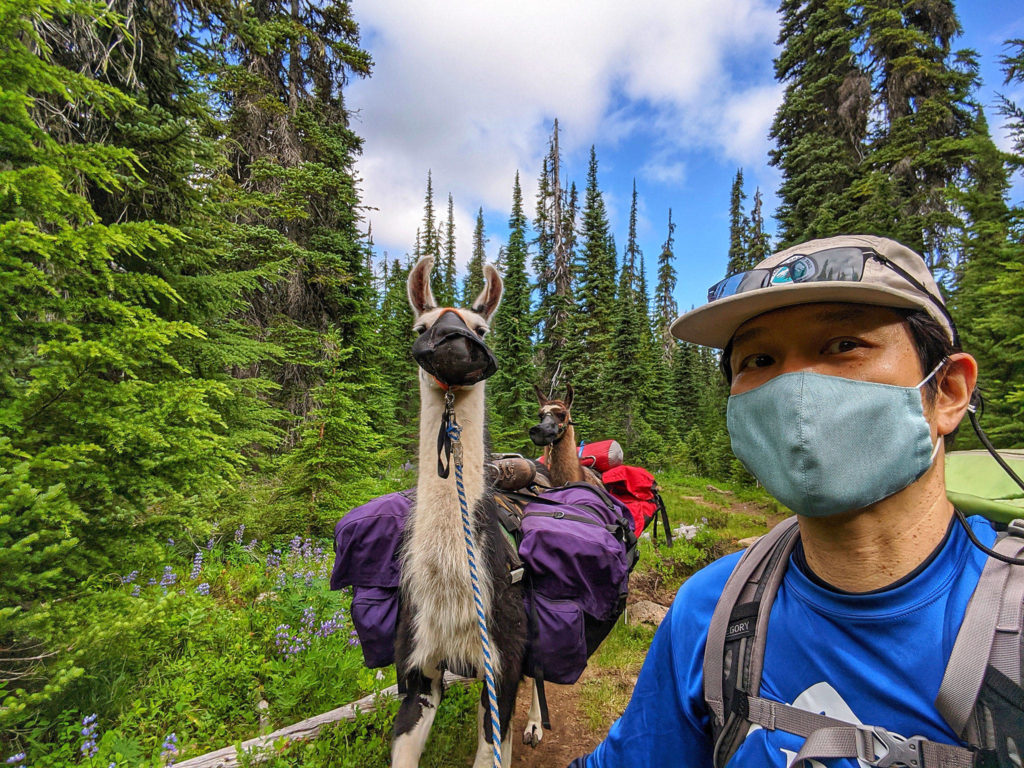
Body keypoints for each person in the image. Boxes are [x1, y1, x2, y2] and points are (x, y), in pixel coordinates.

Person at [567, 234, 1023, 768]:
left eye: (842, 344)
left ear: (946, 391)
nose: (795, 387)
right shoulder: (710, 610)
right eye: (759, 359)